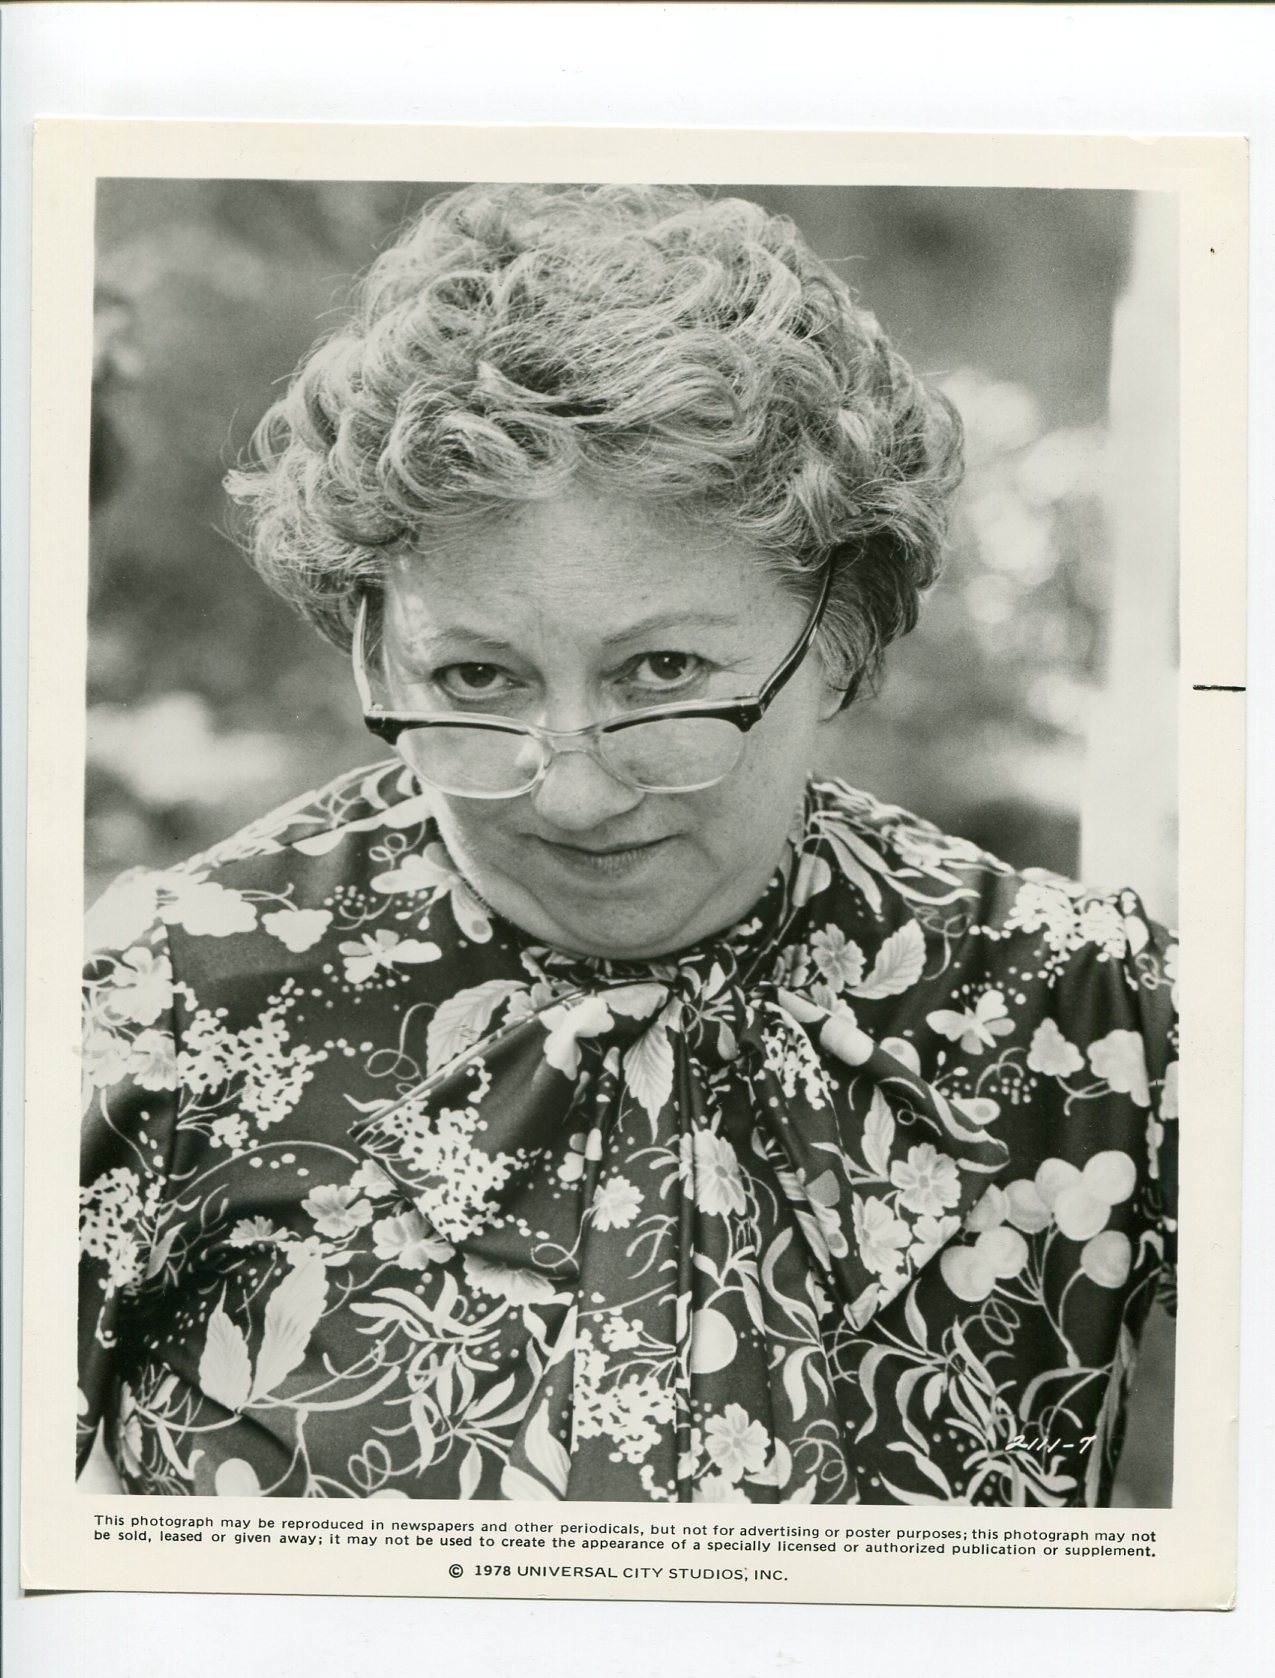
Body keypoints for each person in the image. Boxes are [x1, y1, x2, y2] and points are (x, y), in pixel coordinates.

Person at [78, 183, 1177, 1506]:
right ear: (370, 644)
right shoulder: (160, 1002)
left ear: (843, 630)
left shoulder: (1097, 1014)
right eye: (477, 678)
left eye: (662, 671)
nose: (574, 794)